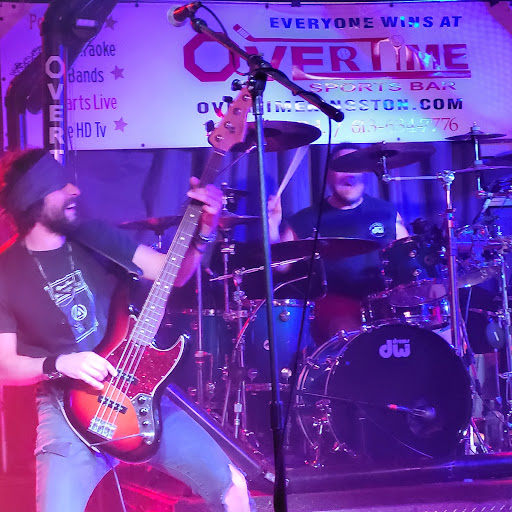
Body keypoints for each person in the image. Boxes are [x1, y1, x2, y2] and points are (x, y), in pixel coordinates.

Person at [0, 149, 253, 512]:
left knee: (233, 488)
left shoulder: (92, 235)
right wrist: (61, 362)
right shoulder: (5, 272)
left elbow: (172, 273)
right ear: (33, 200)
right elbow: (5, 367)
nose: (75, 190)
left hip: (139, 390)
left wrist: (204, 231)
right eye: (60, 186)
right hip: (65, 410)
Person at [269, 143, 409, 343]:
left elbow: (407, 258)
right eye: (342, 167)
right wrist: (272, 225)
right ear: (328, 176)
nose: (349, 175)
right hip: (332, 308)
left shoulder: (386, 212)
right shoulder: (306, 219)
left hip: (384, 305)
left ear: (366, 174)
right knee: (348, 328)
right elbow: (280, 267)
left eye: (355, 167)